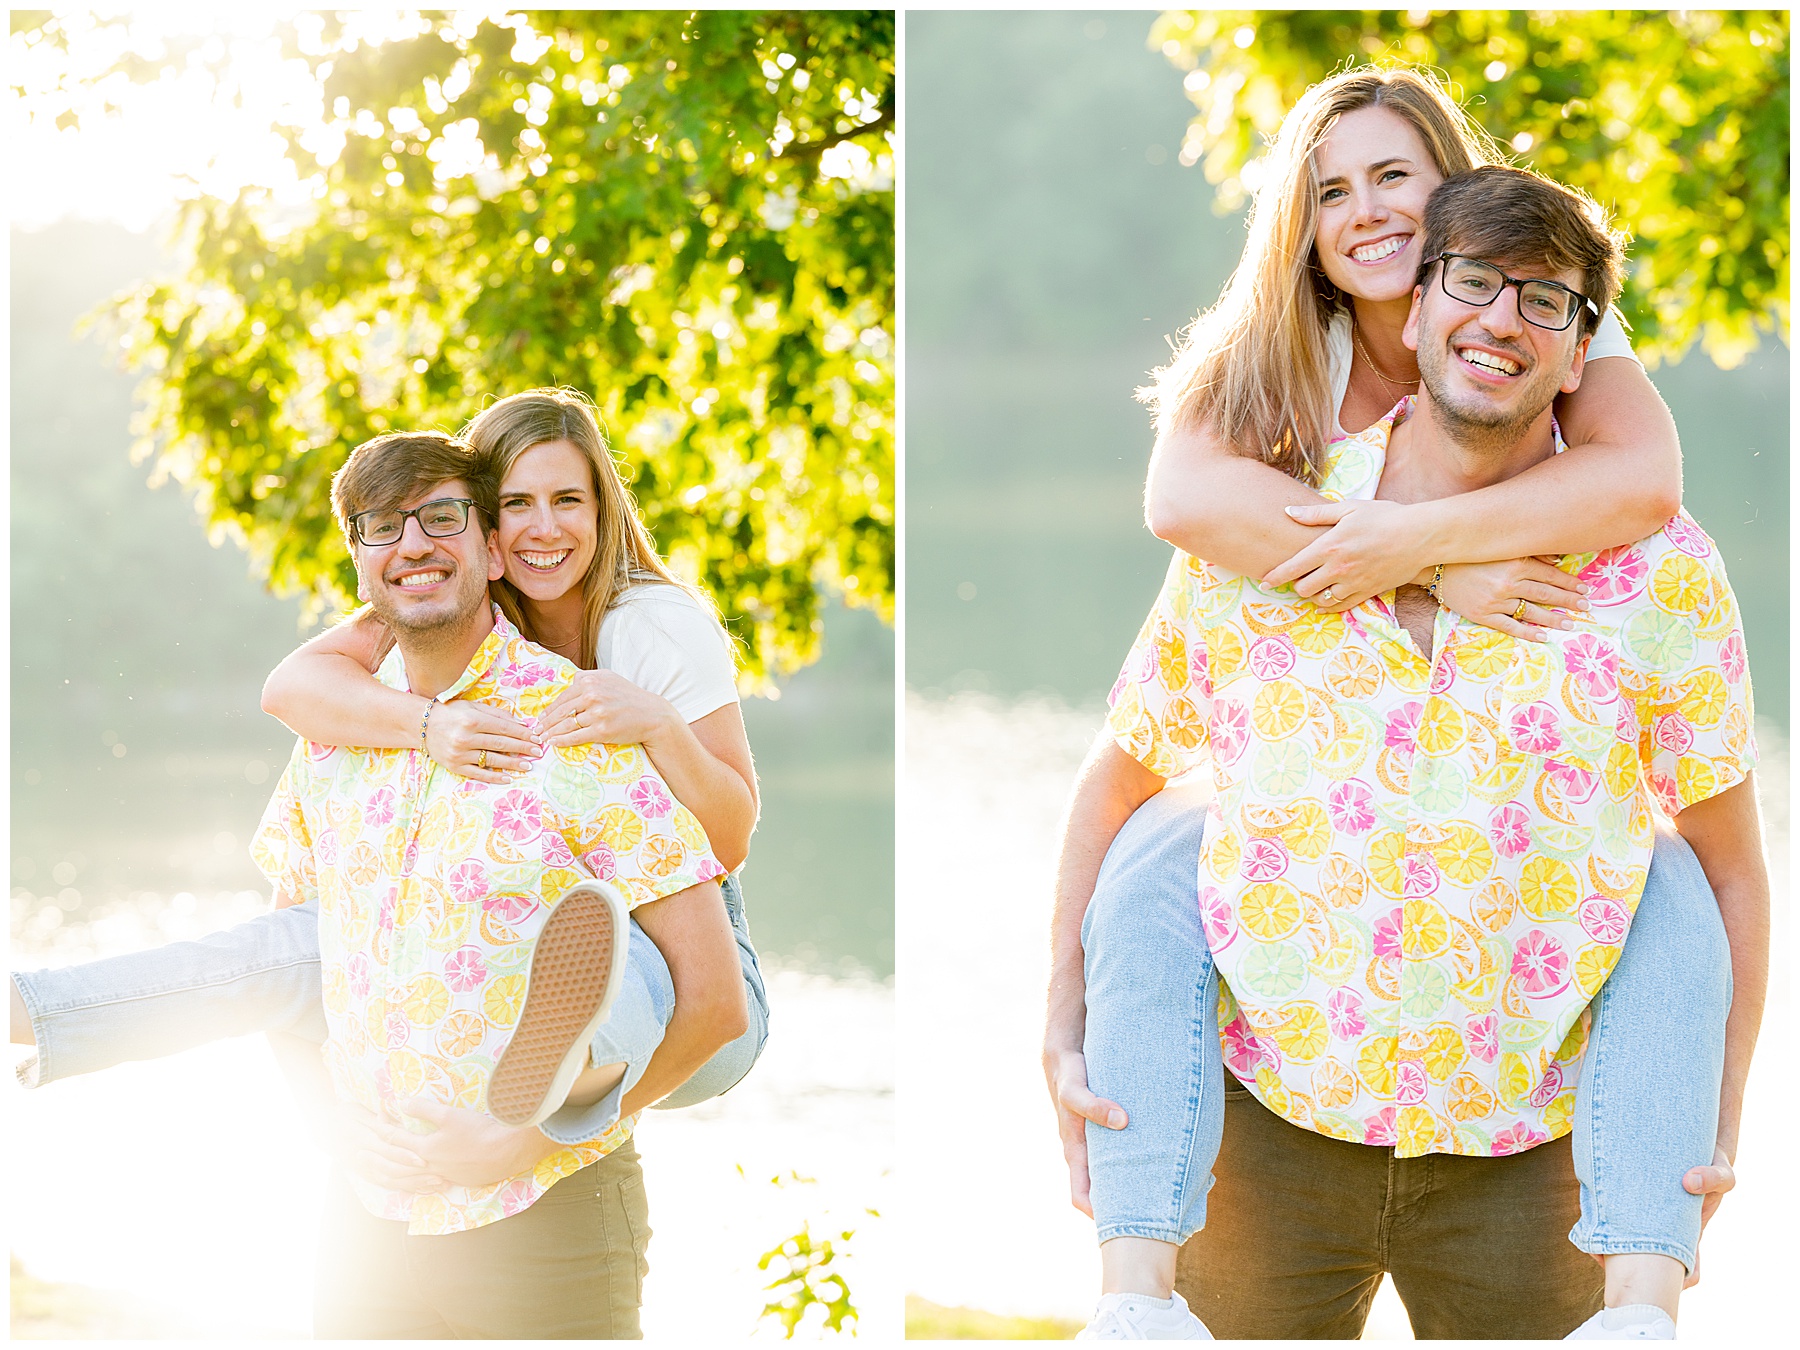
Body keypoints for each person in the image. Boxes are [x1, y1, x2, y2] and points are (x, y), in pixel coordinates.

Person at [1048, 161, 1768, 1341]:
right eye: (1476, 282)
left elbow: (1724, 864)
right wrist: (1058, 1021)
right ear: (1416, 304)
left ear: (1585, 350)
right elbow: (1121, 779)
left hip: (1534, 1161)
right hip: (1266, 1135)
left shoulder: (1660, 572)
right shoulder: (1271, 523)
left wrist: (1718, 1109)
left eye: (1548, 301)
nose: (1502, 320)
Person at [11, 394, 767, 1335]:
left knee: (624, 983)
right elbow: (305, 987)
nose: (412, 543)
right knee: (273, 951)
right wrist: (327, 1122)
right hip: (364, 1224)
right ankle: (29, 1009)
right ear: (361, 567)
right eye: (381, 528)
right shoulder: (334, 739)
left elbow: (717, 1000)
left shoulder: (589, 719)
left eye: (442, 517)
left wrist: (518, 1143)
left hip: (549, 1221)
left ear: (488, 552)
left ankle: (553, 1084)